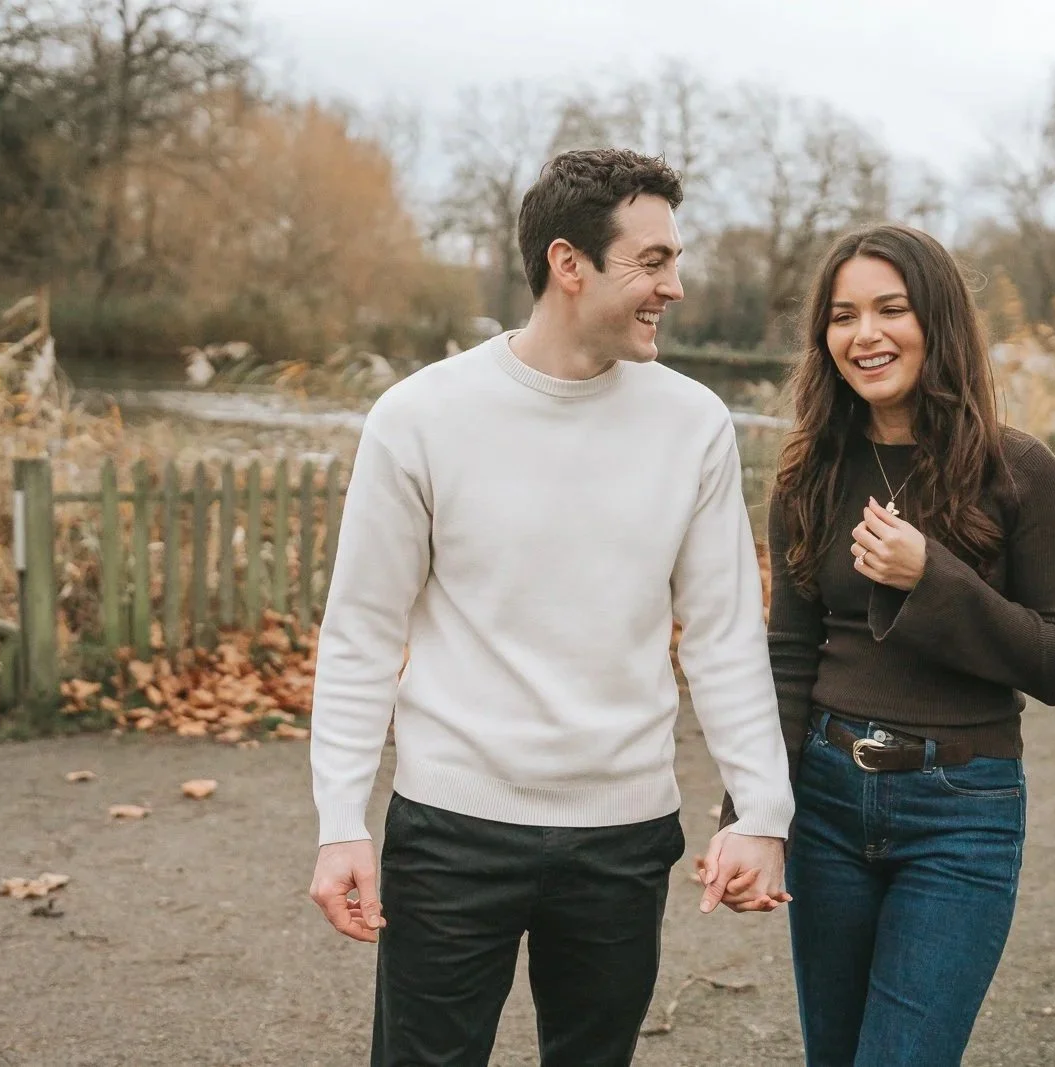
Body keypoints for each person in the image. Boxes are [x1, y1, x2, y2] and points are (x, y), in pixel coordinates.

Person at [306, 147, 796, 1067]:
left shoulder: (692, 424)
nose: (675, 286)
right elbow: (362, 633)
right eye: (652, 262)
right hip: (451, 829)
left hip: (623, 833)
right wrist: (340, 823)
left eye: (675, 260)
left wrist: (762, 809)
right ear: (569, 265)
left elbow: (725, 634)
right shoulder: (418, 417)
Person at [718, 224, 1055, 1065]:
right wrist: (753, 812)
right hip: (828, 798)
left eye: (892, 308)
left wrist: (934, 577)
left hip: (961, 810)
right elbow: (790, 654)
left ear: (939, 321)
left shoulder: (1018, 470)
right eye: (844, 316)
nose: (866, 334)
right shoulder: (807, 472)